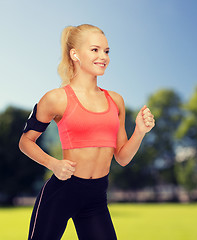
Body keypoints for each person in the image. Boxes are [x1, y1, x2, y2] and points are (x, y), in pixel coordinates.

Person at [19, 24, 155, 240]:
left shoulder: (115, 100)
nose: (104, 57)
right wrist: (53, 164)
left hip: (96, 198)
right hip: (61, 193)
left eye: (107, 51)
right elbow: (26, 142)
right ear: (75, 54)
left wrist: (140, 131)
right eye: (95, 50)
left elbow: (122, 157)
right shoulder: (56, 98)